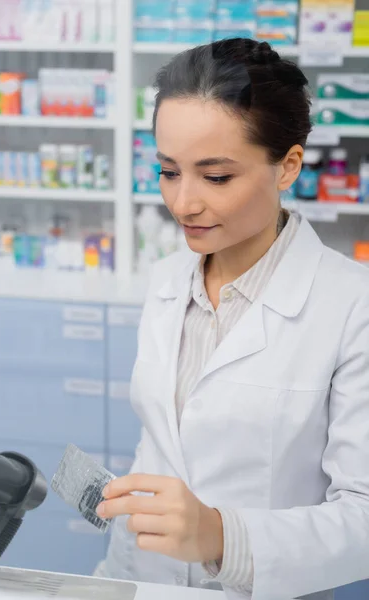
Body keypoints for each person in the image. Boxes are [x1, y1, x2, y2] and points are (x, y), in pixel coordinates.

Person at [95, 38, 369, 600]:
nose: (183, 203)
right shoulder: (170, 280)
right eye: (170, 171)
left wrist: (223, 536)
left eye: (216, 177)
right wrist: (111, 584)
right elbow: (158, 456)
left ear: (287, 165)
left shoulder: (352, 306)